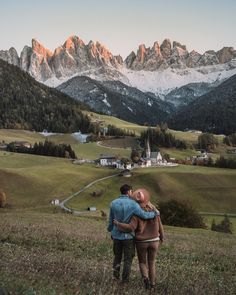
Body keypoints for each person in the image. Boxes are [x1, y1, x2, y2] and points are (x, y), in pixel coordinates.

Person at [113, 188, 164, 290]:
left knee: (142, 262)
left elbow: (130, 228)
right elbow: (160, 226)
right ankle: (153, 284)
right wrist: (161, 237)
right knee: (152, 262)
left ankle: (145, 279)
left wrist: (118, 224)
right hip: (154, 240)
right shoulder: (155, 211)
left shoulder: (136, 214)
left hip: (142, 242)